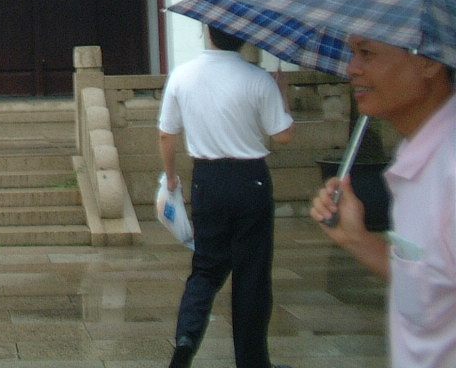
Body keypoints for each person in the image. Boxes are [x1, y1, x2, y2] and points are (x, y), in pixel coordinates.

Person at [309, 35, 455, 368]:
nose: (352, 69)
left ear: (429, 61)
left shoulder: (450, 168)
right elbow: (430, 289)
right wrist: (357, 238)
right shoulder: (415, 152)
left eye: (367, 54)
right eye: (353, 54)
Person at [158, 26, 295, 368]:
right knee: (251, 274)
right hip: (251, 181)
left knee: (205, 269)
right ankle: (252, 361)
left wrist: (172, 178)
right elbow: (283, 135)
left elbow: (166, 135)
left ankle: (186, 341)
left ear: (207, 31)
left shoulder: (182, 75)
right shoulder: (258, 79)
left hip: (207, 180)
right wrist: (283, 95)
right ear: (244, 36)